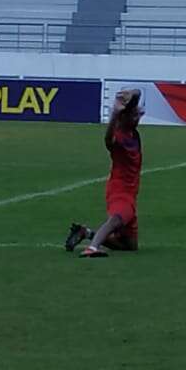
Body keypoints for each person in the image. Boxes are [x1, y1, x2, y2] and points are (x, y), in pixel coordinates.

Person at [65, 88, 142, 257]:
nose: (138, 118)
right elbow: (108, 140)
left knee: (130, 244)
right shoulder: (119, 138)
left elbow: (137, 95)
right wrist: (115, 114)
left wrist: (131, 95)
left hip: (131, 191)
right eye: (135, 116)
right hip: (120, 190)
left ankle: (86, 233)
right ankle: (92, 247)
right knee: (116, 219)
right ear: (125, 118)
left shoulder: (132, 133)